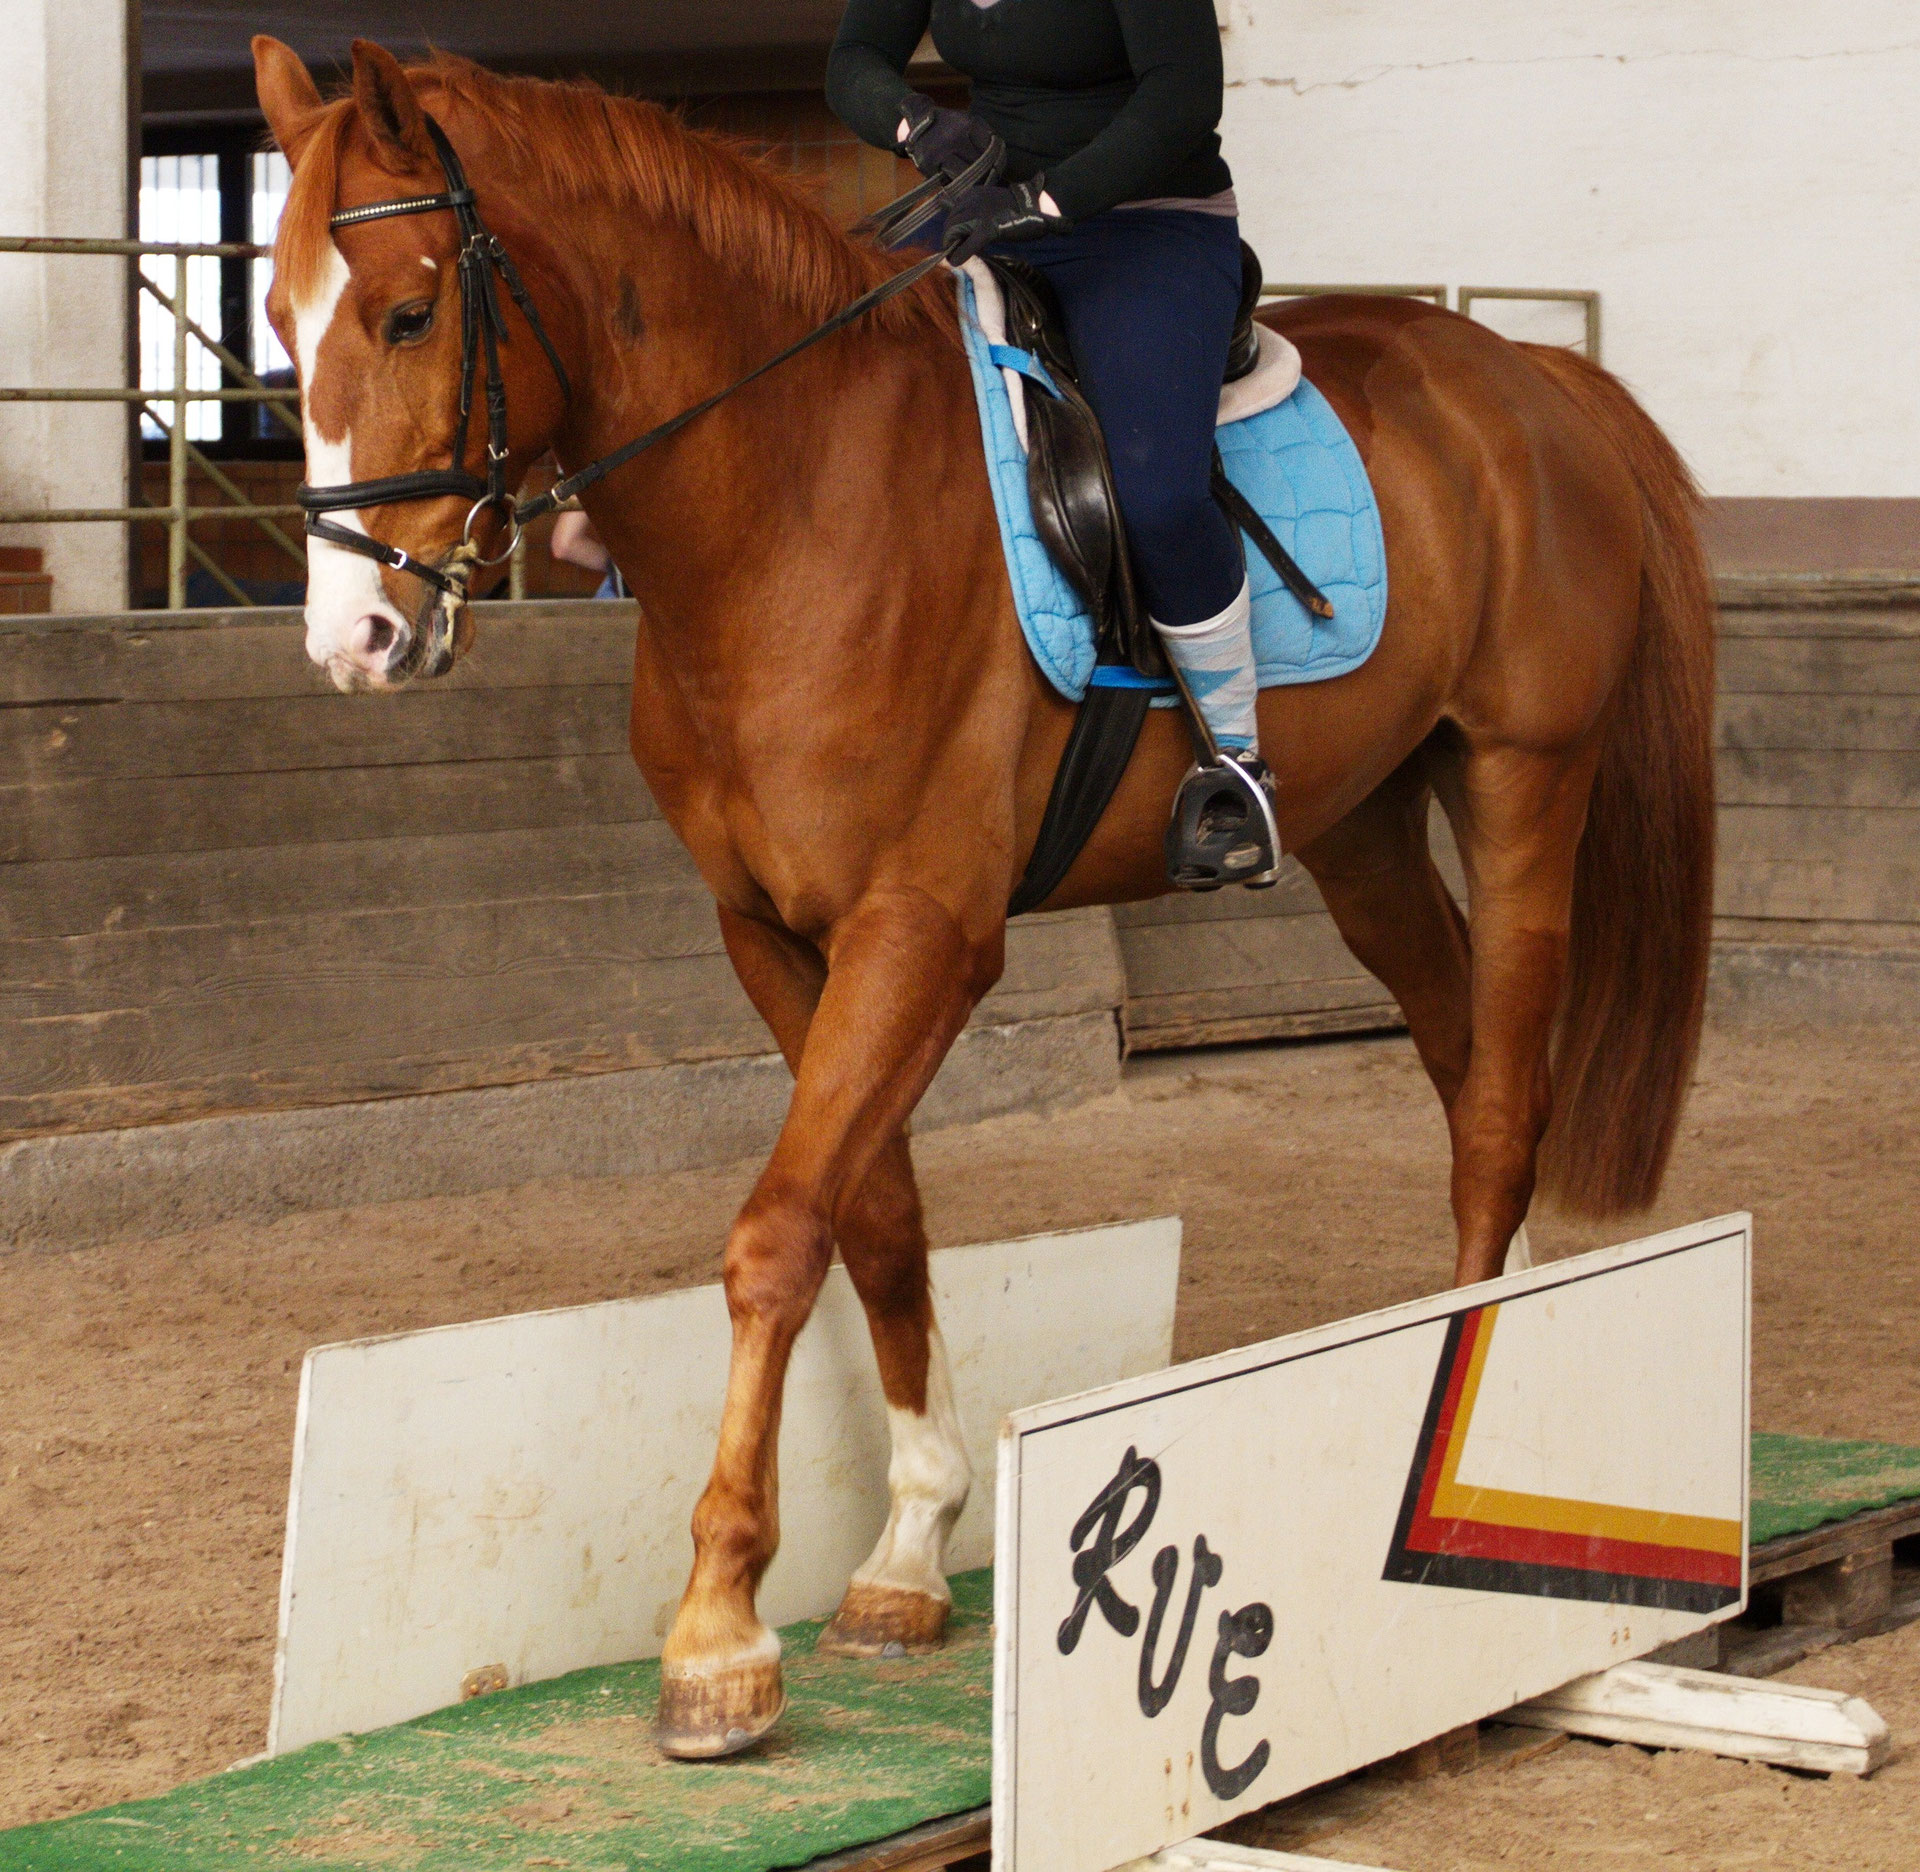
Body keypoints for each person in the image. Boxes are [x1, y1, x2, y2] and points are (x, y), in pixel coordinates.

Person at [827, 0, 1279, 885]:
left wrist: (1049, 199)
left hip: (1148, 221)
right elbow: (853, 58)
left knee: (1156, 490)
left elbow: (1184, 96)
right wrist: (919, 125)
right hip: (987, 211)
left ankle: (1236, 764)